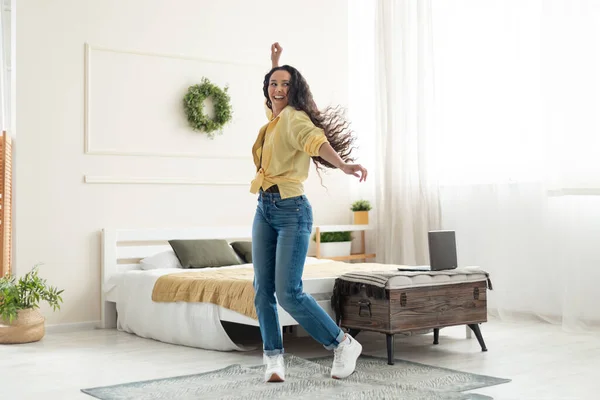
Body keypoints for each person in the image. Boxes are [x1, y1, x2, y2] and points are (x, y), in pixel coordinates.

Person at [249, 42, 368, 383]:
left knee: (289, 292)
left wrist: (344, 165)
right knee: (261, 289)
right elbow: (271, 105)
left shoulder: (295, 119)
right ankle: (273, 359)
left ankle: (342, 343)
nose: (278, 89)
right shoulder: (275, 118)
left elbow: (315, 141)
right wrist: (274, 63)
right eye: (274, 84)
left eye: (285, 84)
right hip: (264, 208)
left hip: (292, 212)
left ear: (294, 90)